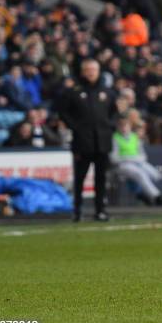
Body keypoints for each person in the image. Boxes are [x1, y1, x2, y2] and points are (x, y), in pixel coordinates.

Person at [59, 59, 117, 222]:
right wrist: (75, 127)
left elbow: (114, 113)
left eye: (94, 69)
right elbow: (63, 112)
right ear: (83, 72)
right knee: (80, 178)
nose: (91, 72)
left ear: (99, 71)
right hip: (82, 142)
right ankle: (77, 210)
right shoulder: (73, 92)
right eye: (88, 69)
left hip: (103, 142)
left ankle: (101, 210)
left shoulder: (108, 92)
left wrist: (110, 126)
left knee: (101, 179)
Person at [110, 118, 162, 206]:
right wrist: (129, 158)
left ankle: (142, 194)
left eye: (126, 126)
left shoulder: (134, 137)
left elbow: (143, 155)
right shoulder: (115, 138)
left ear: (130, 127)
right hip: (122, 164)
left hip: (138, 162)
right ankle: (157, 197)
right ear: (118, 127)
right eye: (121, 126)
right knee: (140, 174)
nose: (124, 128)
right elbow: (113, 158)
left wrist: (135, 159)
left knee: (155, 174)